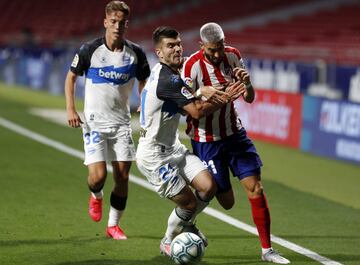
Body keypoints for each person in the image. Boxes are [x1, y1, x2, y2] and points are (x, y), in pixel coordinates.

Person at [181, 22, 291, 264]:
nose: (218, 54)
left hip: (235, 135)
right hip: (206, 140)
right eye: (212, 50)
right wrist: (220, 97)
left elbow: (249, 98)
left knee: (256, 188)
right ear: (202, 46)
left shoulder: (234, 56)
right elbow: (193, 112)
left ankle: (267, 250)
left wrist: (248, 85)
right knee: (227, 202)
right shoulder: (191, 67)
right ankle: (186, 218)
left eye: (220, 47)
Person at [136, 26, 244, 256]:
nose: (176, 49)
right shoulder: (167, 79)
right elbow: (195, 112)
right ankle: (169, 239)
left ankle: (186, 223)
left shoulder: (169, 71)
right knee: (188, 203)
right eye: (170, 46)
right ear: (159, 53)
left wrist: (200, 88)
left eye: (178, 44)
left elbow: (189, 71)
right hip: (154, 155)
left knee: (208, 186)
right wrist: (225, 97)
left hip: (173, 146)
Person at [64, 1, 150, 240]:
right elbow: (70, 78)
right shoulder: (89, 49)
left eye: (122, 23)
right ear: (105, 22)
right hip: (94, 123)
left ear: (127, 25)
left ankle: (113, 225)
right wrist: (71, 109)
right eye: (113, 21)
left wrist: (143, 102)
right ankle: (96, 196)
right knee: (98, 177)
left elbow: (145, 81)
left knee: (122, 177)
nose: (117, 26)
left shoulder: (136, 53)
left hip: (122, 123)